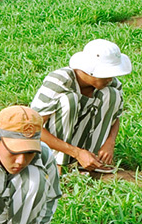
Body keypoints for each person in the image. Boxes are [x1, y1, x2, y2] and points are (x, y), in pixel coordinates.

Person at [29, 39, 131, 172]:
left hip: (80, 142)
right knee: (69, 100)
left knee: (112, 94)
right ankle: (58, 162)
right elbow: (32, 128)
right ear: (89, 70)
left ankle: (93, 159)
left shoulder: (111, 84)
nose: (110, 79)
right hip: (49, 146)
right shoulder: (60, 81)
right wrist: (76, 152)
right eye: (106, 74)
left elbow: (115, 117)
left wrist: (110, 142)